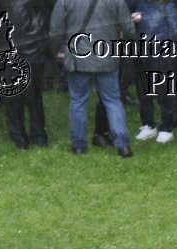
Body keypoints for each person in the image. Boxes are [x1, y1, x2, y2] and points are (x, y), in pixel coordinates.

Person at [50, 0, 136, 156]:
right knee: (113, 101)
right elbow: (128, 27)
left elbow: (55, 29)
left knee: (78, 101)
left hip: (78, 56)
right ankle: (123, 146)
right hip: (107, 55)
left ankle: (79, 146)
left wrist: (58, 51)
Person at [132, 0, 177, 144]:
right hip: (142, 52)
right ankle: (148, 124)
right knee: (144, 91)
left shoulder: (168, 6)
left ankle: (167, 127)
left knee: (165, 91)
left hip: (161, 53)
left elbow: (176, 31)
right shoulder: (141, 5)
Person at [3, 0, 51, 147]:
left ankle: (19, 135)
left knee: (14, 97)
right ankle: (38, 135)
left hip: (13, 53)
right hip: (34, 53)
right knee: (34, 97)